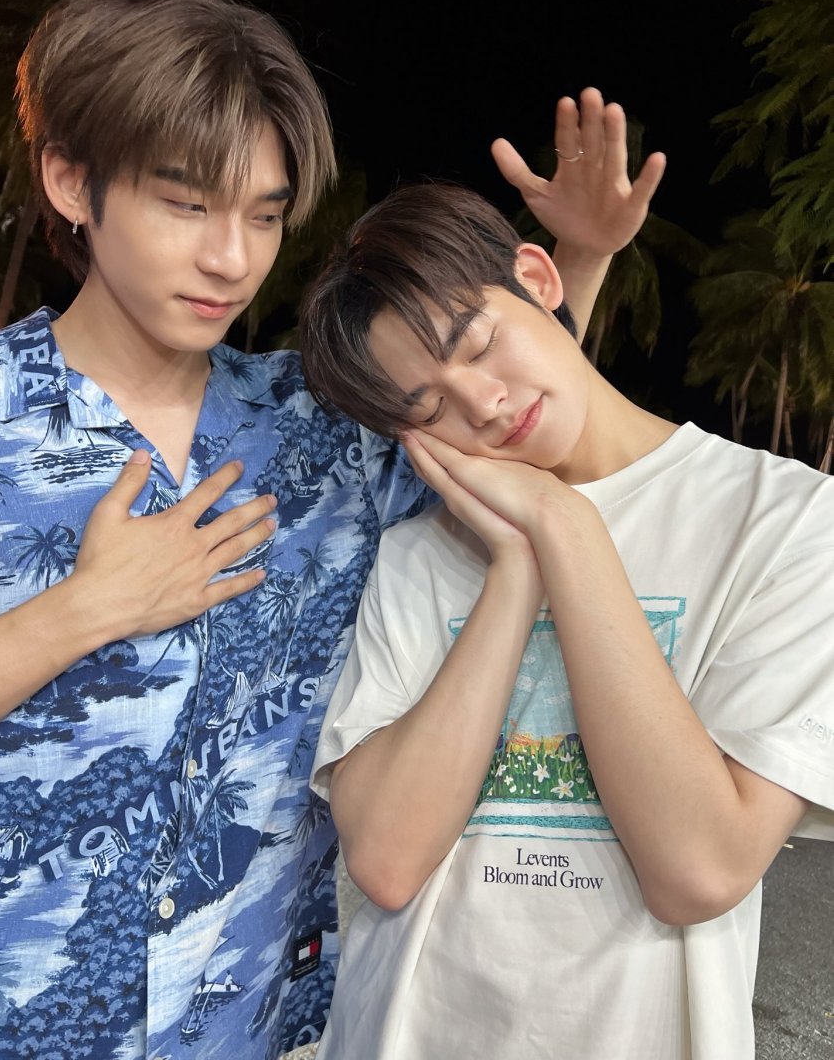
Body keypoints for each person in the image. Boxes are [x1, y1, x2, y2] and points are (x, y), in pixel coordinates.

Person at [0, 0, 660, 1058]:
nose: (232, 258)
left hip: (250, 1030)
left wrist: (584, 259)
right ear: (72, 181)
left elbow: (503, 414)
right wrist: (84, 611)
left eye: (265, 215)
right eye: (187, 206)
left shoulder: (323, 432)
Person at [300, 179, 834, 1060]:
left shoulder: (784, 522)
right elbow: (388, 862)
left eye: (479, 343)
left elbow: (700, 869)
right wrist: (516, 569)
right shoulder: (418, 555)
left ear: (541, 279)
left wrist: (568, 526)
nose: (482, 403)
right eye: (428, 407)